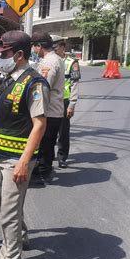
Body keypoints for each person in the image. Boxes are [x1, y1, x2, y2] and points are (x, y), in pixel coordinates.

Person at [0, 30, 49, 259]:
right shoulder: (8, 78)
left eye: (5, 54)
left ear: (19, 54)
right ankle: (18, 238)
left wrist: (23, 160)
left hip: (16, 159)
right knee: (5, 204)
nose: (0, 58)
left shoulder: (34, 83)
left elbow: (39, 125)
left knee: (8, 212)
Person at [31, 31, 65, 180]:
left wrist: (32, 102)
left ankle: (44, 173)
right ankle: (45, 170)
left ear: (39, 46)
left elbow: (43, 87)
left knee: (45, 143)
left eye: (34, 46)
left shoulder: (49, 62)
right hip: (53, 109)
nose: (33, 50)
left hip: (49, 111)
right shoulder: (55, 59)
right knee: (47, 143)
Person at [51, 35, 81, 168]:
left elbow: (75, 84)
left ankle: (62, 157)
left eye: (55, 48)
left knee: (63, 131)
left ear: (62, 47)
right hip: (51, 101)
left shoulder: (71, 63)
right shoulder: (48, 61)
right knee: (48, 130)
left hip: (64, 101)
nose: (53, 51)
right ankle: (48, 155)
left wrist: (72, 104)